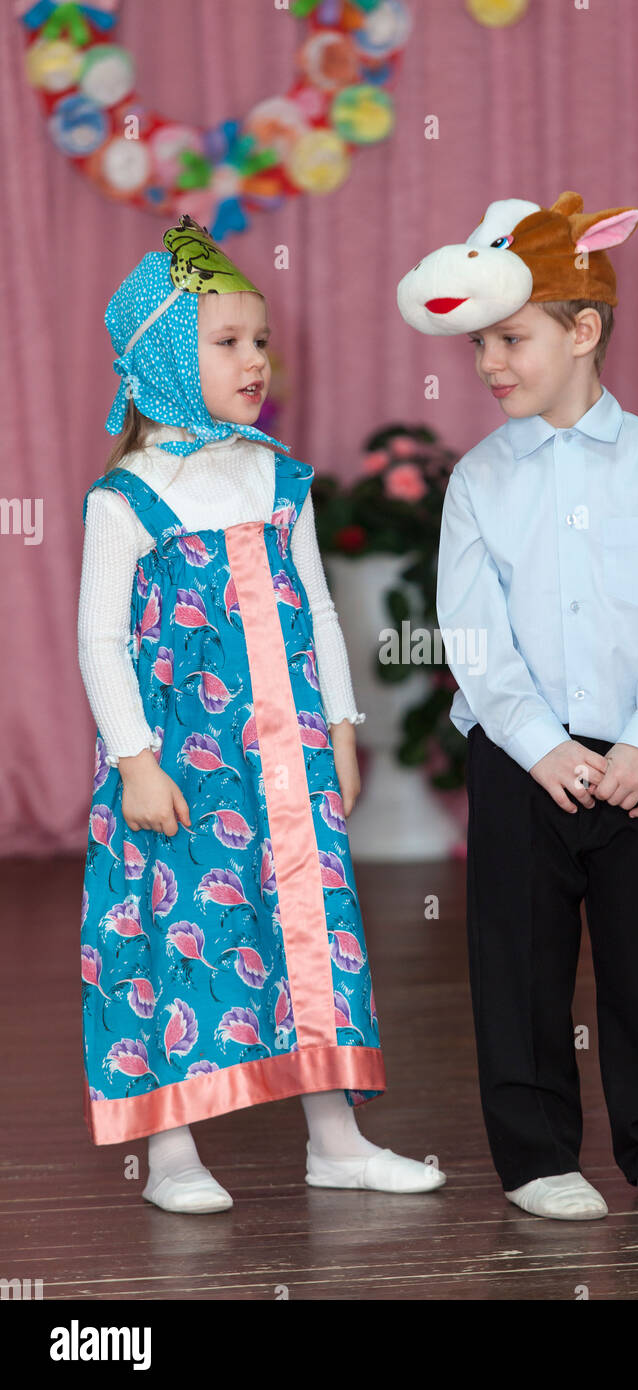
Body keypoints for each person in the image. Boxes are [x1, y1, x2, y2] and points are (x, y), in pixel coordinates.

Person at [79, 215, 445, 1213]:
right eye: (225, 341)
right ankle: (171, 1152)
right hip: (181, 765)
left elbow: (318, 607)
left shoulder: (276, 476)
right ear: (162, 351)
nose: (254, 361)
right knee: (177, 932)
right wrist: (135, 759)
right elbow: (101, 642)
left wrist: (342, 725)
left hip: (288, 760)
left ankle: (336, 1136)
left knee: (311, 929)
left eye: (260, 341)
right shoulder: (127, 498)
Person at [396, 192, 638, 1220]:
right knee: (519, 957)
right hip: (517, 757)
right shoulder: (479, 482)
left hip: (637, 754)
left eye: (510, 338)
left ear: (580, 331)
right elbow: (473, 633)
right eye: (479, 344)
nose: (489, 362)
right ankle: (537, 1154)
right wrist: (537, 745)